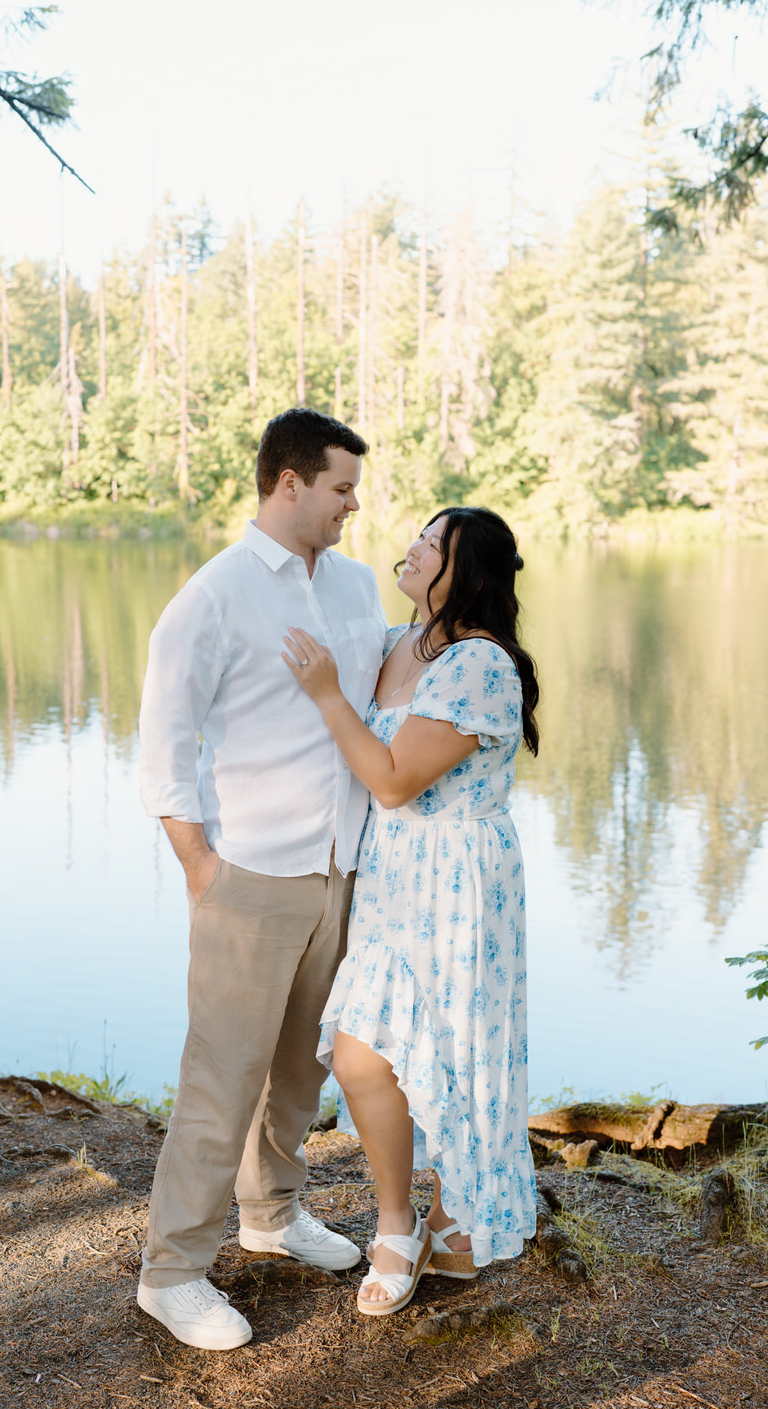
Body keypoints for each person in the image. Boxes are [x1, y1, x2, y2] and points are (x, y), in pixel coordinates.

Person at [136, 408, 387, 1350]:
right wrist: (199, 864)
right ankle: (172, 1273)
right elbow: (163, 746)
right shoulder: (214, 597)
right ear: (289, 483)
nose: (352, 507)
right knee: (223, 1076)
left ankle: (272, 1216)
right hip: (249, 872)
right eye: (341, 489)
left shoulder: (358, 585)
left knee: (299, 1066)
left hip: (340, 868)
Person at [282, 505, 539, 1316]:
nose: (413, 546)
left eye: (433, 544)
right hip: (396, 873)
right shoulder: (398, 641)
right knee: (362, 1053)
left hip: (459, 881)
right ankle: (401, 1222)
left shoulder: (478, 665)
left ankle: (452, 1218)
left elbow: (393, 779)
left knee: (456, 1047)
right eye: (421, 535)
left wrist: (327, 695)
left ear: (469, 574)